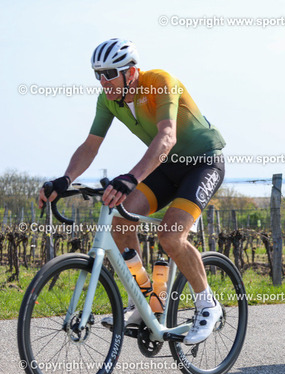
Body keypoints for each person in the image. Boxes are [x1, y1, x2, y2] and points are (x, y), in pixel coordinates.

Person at [38, 38, 226, 345]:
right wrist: (65, 179)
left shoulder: (159, 82)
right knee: (120, 223)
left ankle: (208, 304)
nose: (103, 81)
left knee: (170, 235)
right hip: (165, 167)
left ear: (131, 71)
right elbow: (90, 145)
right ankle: (144, 301)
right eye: (98, 74)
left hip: (202, 163)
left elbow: (167, 137)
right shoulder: (108, 100)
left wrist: (131, 178)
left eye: (109, 74)